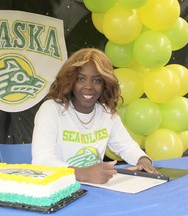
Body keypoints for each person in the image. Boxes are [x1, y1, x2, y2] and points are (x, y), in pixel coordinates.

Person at [31, 48, 157, 184]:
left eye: (96, 80)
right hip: (57, 187)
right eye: (81, 79)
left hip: (93, 188)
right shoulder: (51, 109)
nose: (88, 86)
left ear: (105, 84)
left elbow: (126, 146)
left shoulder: (106, 113)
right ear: (71, 81)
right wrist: (83, 174)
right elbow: (42, 160)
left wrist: (143, 159)